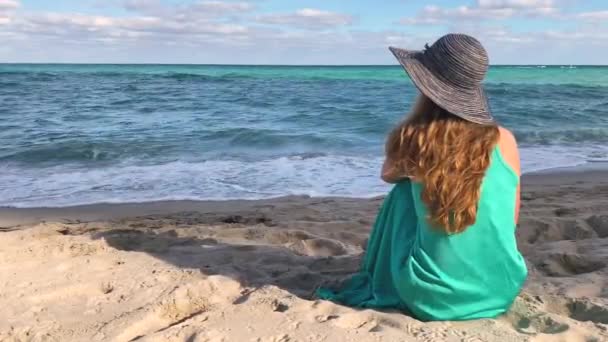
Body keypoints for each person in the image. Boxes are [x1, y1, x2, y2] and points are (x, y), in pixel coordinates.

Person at [316, 33, 528, 321]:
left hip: (431, 298)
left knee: (403, 192)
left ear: (427, 85)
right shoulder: (506, 139)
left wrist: (417, 147)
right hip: (500, 288)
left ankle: (390, 274)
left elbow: (387, 175)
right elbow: (510, 218)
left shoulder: (415, 137)